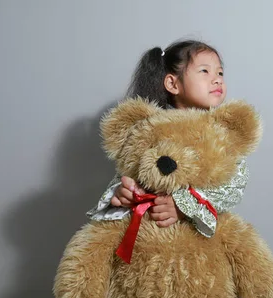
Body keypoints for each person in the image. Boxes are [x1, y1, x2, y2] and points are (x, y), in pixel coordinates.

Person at [87, 39, 249, 237]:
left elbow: (234, 185)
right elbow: (132, 171)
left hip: (198, 242)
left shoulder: (220, 133)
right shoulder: (154, 129)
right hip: (152, 235)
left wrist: (182, 206)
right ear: (172, 83)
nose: (217, 79)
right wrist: (124, 192)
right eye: (205, 71)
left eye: (220, 72)